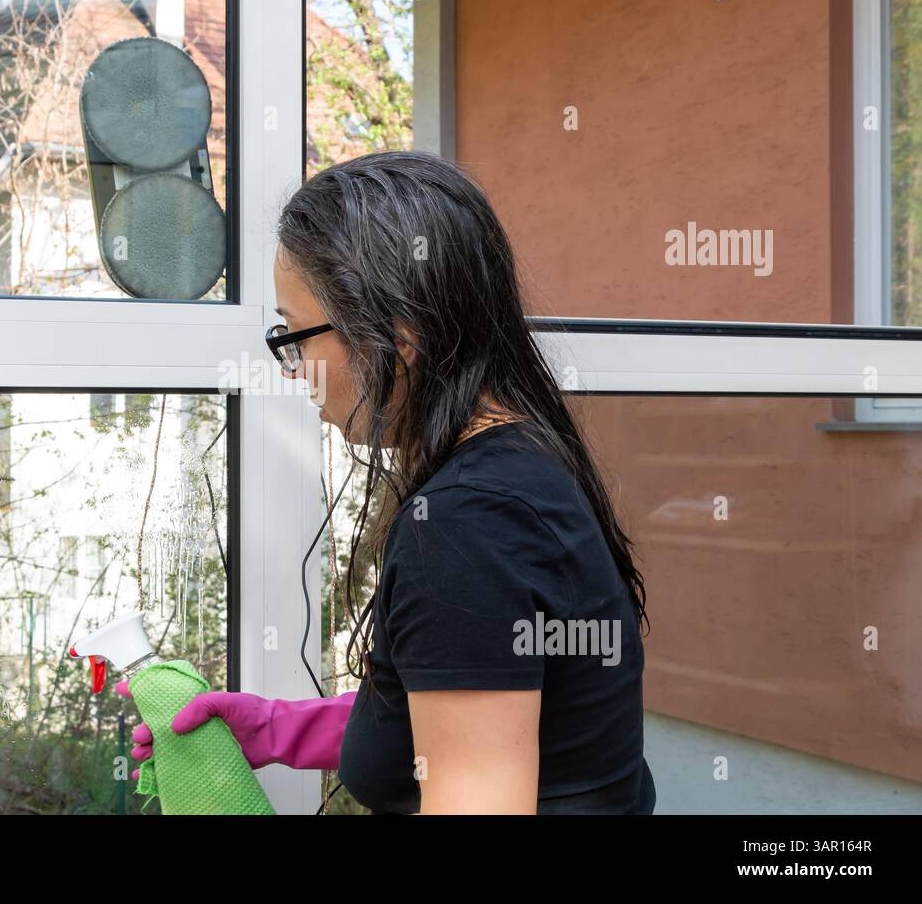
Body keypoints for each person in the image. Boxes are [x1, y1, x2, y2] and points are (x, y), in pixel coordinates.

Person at [118, 150, 655, 814]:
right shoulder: (524, 470)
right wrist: (276, 728)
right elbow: (462, 715)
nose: (293, 370)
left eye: (296, 336)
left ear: (399, 339)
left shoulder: (467, 526)